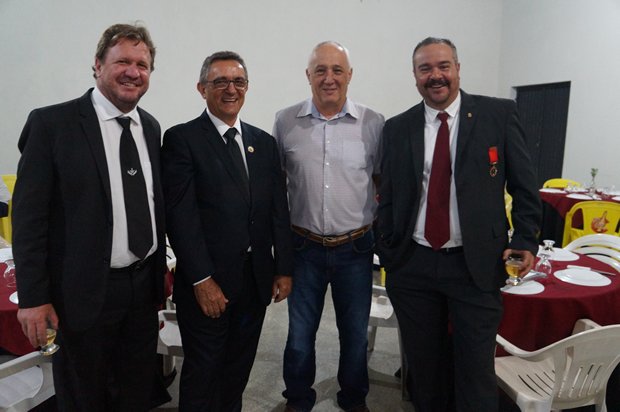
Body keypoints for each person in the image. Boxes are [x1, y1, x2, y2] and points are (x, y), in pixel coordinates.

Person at [376, 37, 542, 411]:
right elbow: (388, 196)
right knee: (424, 369)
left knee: (475, 370)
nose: (435, 75)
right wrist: (388, 249)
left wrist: (525, 241)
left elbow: (525, 186)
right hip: (413, 266)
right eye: (425, 68)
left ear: (458, 69)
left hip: (476, 266)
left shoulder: (498, 115)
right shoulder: (397, 127)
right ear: (415, 75)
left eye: (443, 66)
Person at [12, 23, 167, 411]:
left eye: (142, 65)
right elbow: (29, 219)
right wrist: (34, 298)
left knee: (136, 392)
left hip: (142, 291)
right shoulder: (52, 125)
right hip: (82, 294)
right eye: (123, 61)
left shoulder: (150, 127)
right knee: (83, 397)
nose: (133, 72)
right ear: (98, 65)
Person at [161, 50, 294, 411]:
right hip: (209, 285)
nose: (230, 89)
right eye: (220, 81)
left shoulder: (263, 143)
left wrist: (283, 267)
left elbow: (277, 210)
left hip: (255, 282)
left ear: (247, 87)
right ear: (202, 88)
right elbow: (181, 216)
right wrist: (202, 279)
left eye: (238, 81)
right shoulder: (182, 139)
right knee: (204, 372)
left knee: (238, 368)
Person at [273, 41, 384, 412]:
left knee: (354, 336)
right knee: (300, 335)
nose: (329, 78)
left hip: (356, 248)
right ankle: (297, 399)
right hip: (303, 248)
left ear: (350, 75)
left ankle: (353, 398)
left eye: (337, 70)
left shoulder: (373, 123)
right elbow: (276, 187)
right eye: (320, 70)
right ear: (308, 75)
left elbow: (382, 183)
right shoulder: (285, 121)